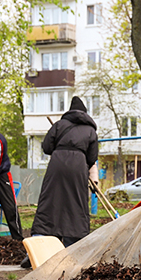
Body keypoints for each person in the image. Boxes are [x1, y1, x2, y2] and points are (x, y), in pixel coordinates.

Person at [30, 96, 98, 247]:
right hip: (78, 167)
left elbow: (47, 147)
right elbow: (92, 157)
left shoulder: (59, 125)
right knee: (76, 202)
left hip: (57, 164)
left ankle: (41, 241)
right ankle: (73, 243)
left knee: (50, 200)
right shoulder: (90, 130)